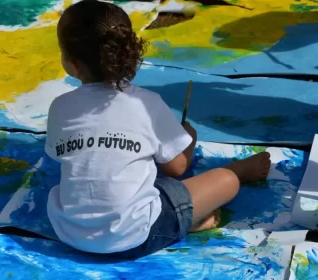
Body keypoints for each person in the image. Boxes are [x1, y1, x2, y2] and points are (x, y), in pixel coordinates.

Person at [45, 0, 271, 259]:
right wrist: (189, 140)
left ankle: (189, 219)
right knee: (225, 181)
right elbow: (176, 169)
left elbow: (62, 154)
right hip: (138, 235)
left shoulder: (59, 107)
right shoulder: (146, 102)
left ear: (72, 64)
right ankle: (235, 175)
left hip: (70, 233)